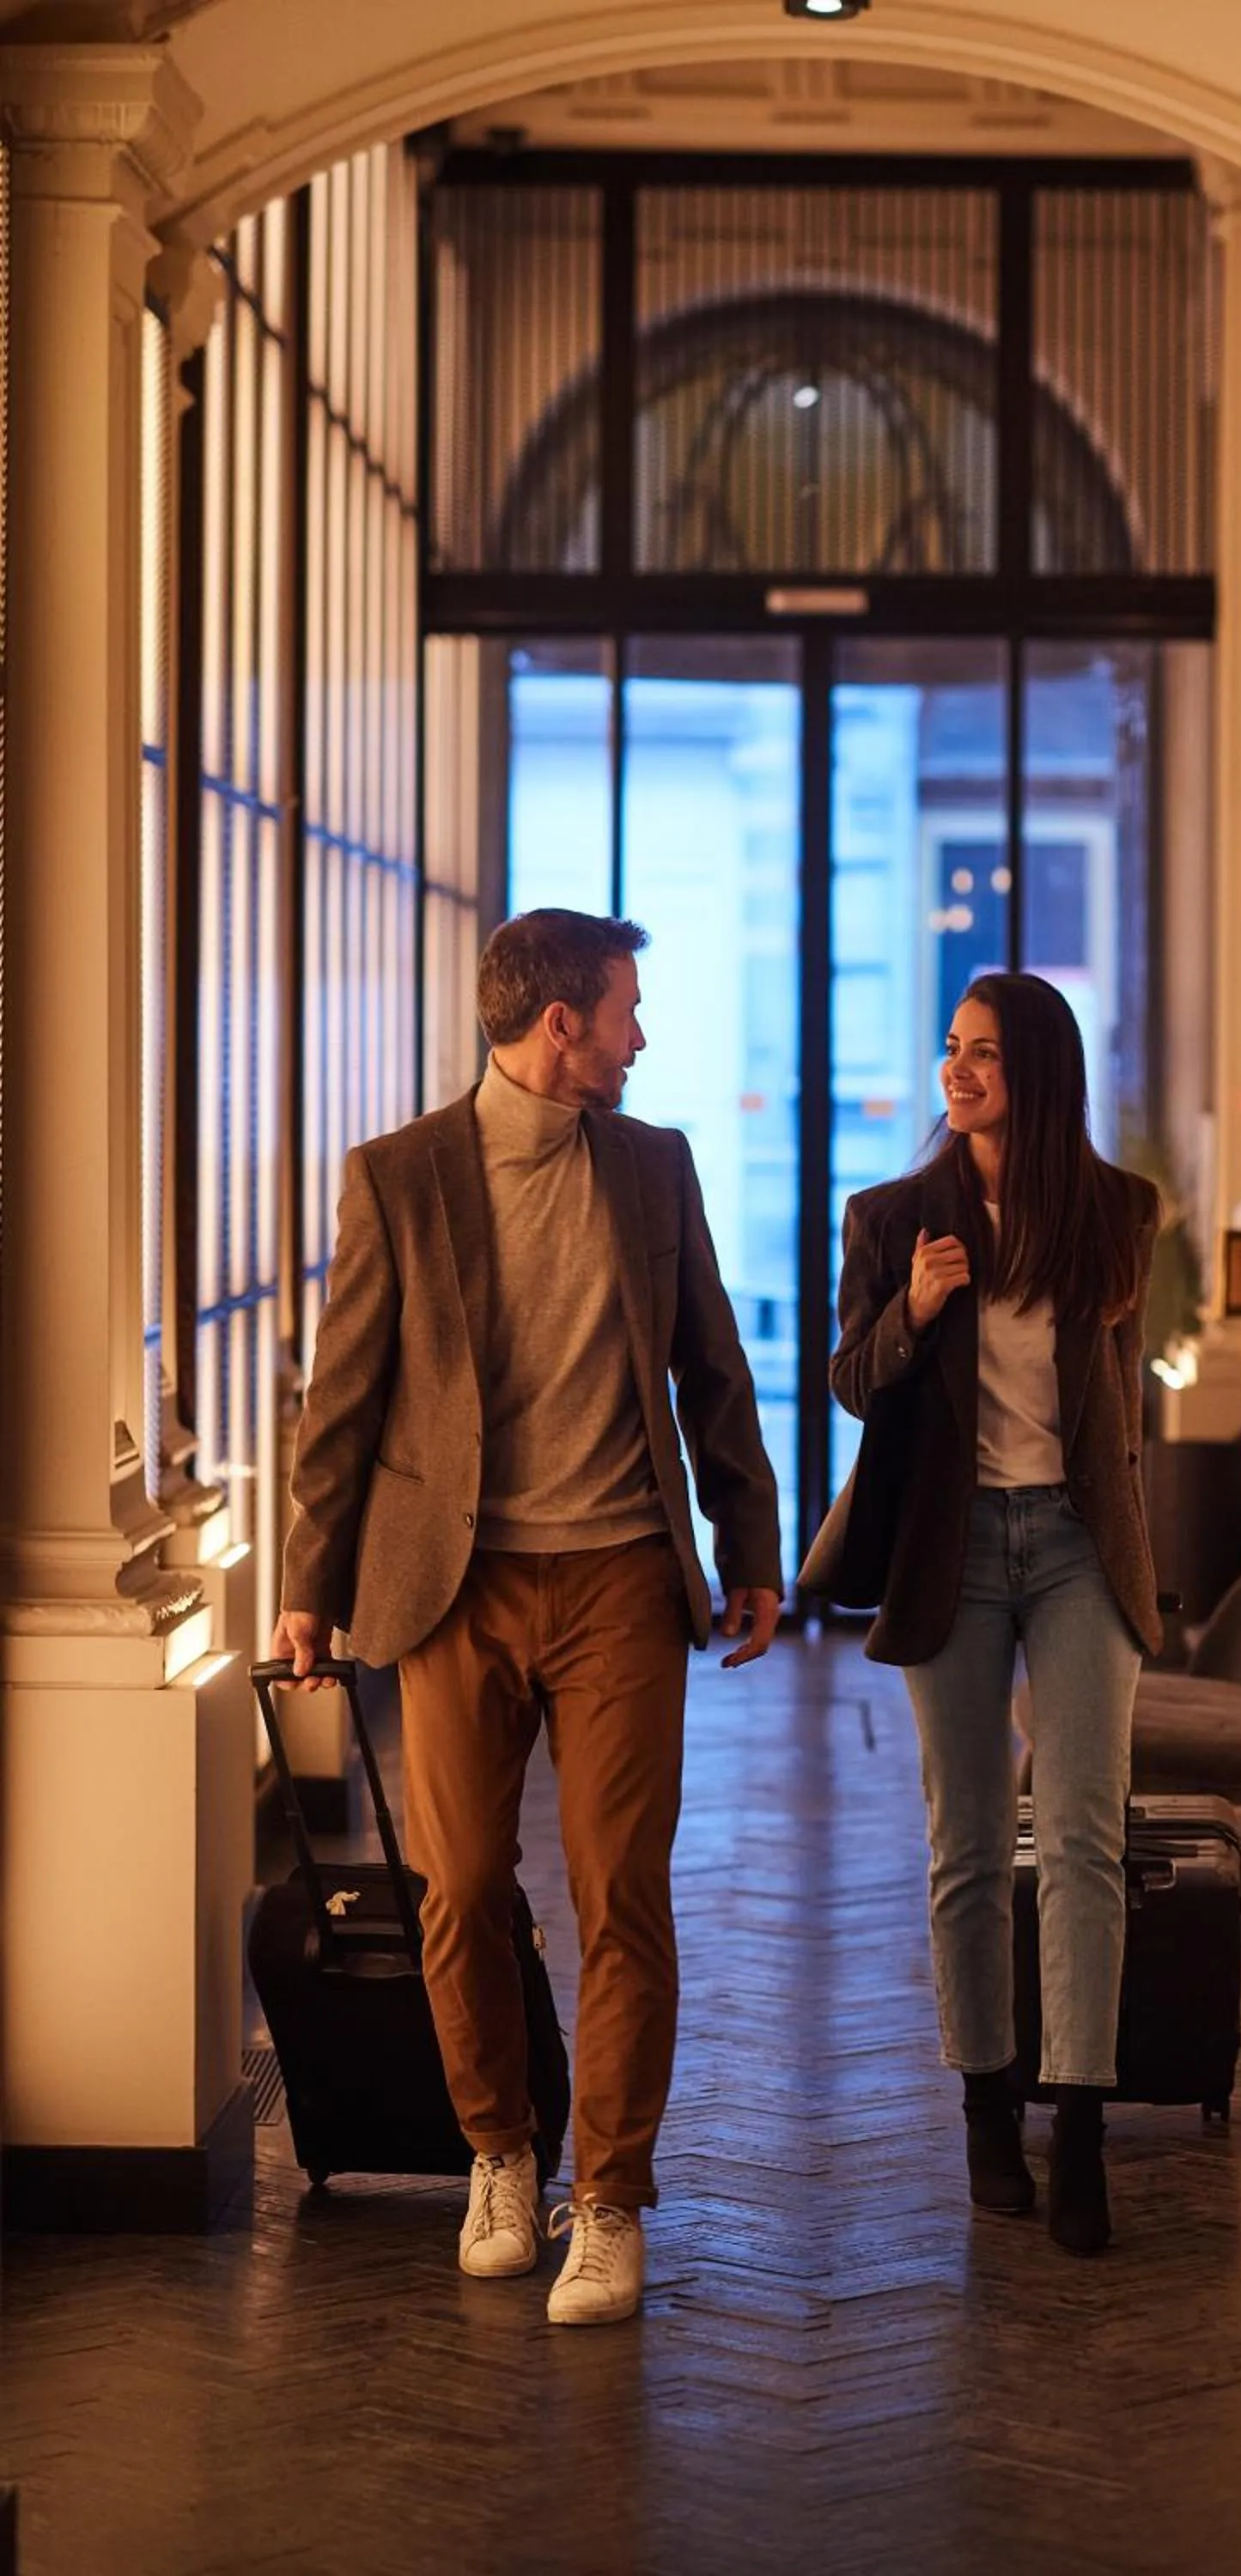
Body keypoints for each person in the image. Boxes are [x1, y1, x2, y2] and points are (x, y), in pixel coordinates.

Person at [274, 908, 783, 2325]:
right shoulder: (399, 1178)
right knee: (463, 1893)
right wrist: (312, 1589)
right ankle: (502, 2154)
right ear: (560, 1022)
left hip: (621, 1572)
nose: (640, 1036)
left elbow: (713, 1370)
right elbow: (345, 1399)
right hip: (456, 1589)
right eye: (625, 1010)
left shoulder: (651, 1165)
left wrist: (750, 1545)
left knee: (623, 1892)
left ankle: (610, 2199)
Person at [818, 972, 1162, 2256]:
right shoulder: (896, 1215)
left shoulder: (1120, 1216)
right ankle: (985, 2103)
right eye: (950, 1049)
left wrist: (1143, 1561)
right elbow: (852, 1385)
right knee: (967, 1841)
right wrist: (912, 1310)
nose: (957, 1072)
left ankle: (1079, 2118)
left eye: (985, 1055)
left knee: (1081, 1838)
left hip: (1078, 1551)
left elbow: (1124, 1409)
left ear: (1042, 1073)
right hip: (951, 1551)